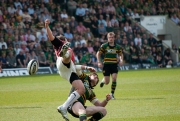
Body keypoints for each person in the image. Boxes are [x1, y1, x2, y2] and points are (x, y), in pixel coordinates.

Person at [45, 19, 94, 121]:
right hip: (63, 63)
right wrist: (47, 27)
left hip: (67, 70)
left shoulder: (62, 46)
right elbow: (52, 38)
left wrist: (86, 67)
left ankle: (63, 107)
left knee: (81, 89)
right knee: (69, 51)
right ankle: (65, 54)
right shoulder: (61, 43)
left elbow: (73, 67)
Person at [96, 32, 123, 99]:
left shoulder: (118, 47)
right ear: (107, 38)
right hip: (106, 65)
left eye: (112, 37)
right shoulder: (104, 46)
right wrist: (99, 62)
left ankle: (112, 94)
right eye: (109, 37)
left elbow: (121, 54)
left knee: (114, 78)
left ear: (114, 38)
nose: (111, 39)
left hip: (114, 65)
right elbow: (98, 53)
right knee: (107, 82)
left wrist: (121, 60)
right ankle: (103, 80)